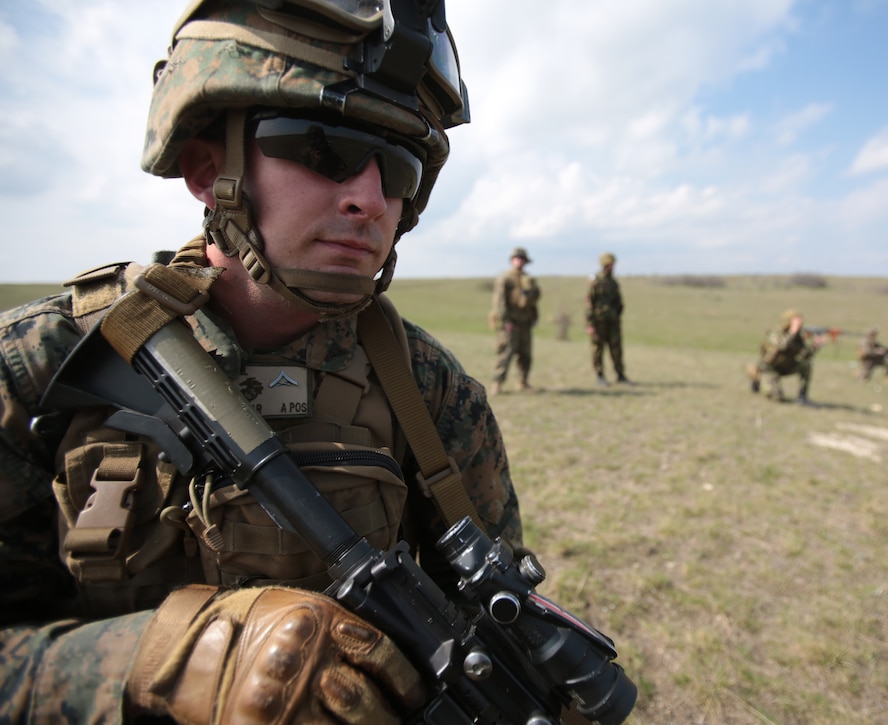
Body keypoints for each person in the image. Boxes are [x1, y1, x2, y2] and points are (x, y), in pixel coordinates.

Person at [0, 2, 525, 721]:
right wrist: (161, 661)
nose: (369, 200)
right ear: (207, 166)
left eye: (398, 167)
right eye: (324, 148)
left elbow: (489, 648)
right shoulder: (39, 368)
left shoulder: (432, 394)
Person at [488, 247, 541, 394]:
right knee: (505, 354)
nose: (519, 261)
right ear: (512, 260)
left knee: (526, 356)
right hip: (510, 324)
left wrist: (534, 317)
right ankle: (497, 383)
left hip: (525, 323)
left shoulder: (528, 279)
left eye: (522, 258)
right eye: (517, 258)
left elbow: (533, 301)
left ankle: (523, 382)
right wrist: (505, 320)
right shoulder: (505, 278)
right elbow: (500, 301)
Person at [745, 309, 823, 404]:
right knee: (776, 397)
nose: (799, 324)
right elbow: (782, 346)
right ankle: (757, 378)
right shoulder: (775, 333)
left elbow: (803, 355)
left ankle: (802, 396)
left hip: (786, 366)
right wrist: (792, 332)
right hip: (770, 368)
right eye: (796, 321)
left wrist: (815, 347)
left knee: (807, 364)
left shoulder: (798, 337)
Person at [585, 252, 628, 386]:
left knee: (616, 349)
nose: (612, 266)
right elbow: (589, 303)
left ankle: (620, 375)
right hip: (599, 322)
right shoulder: (596, 282)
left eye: (613, 264)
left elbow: (619, 302)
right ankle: (600, 376)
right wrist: (590, 324)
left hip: (613, 322)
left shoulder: (613, 282)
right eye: (610, 264)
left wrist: (617, 315)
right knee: (598, 350)